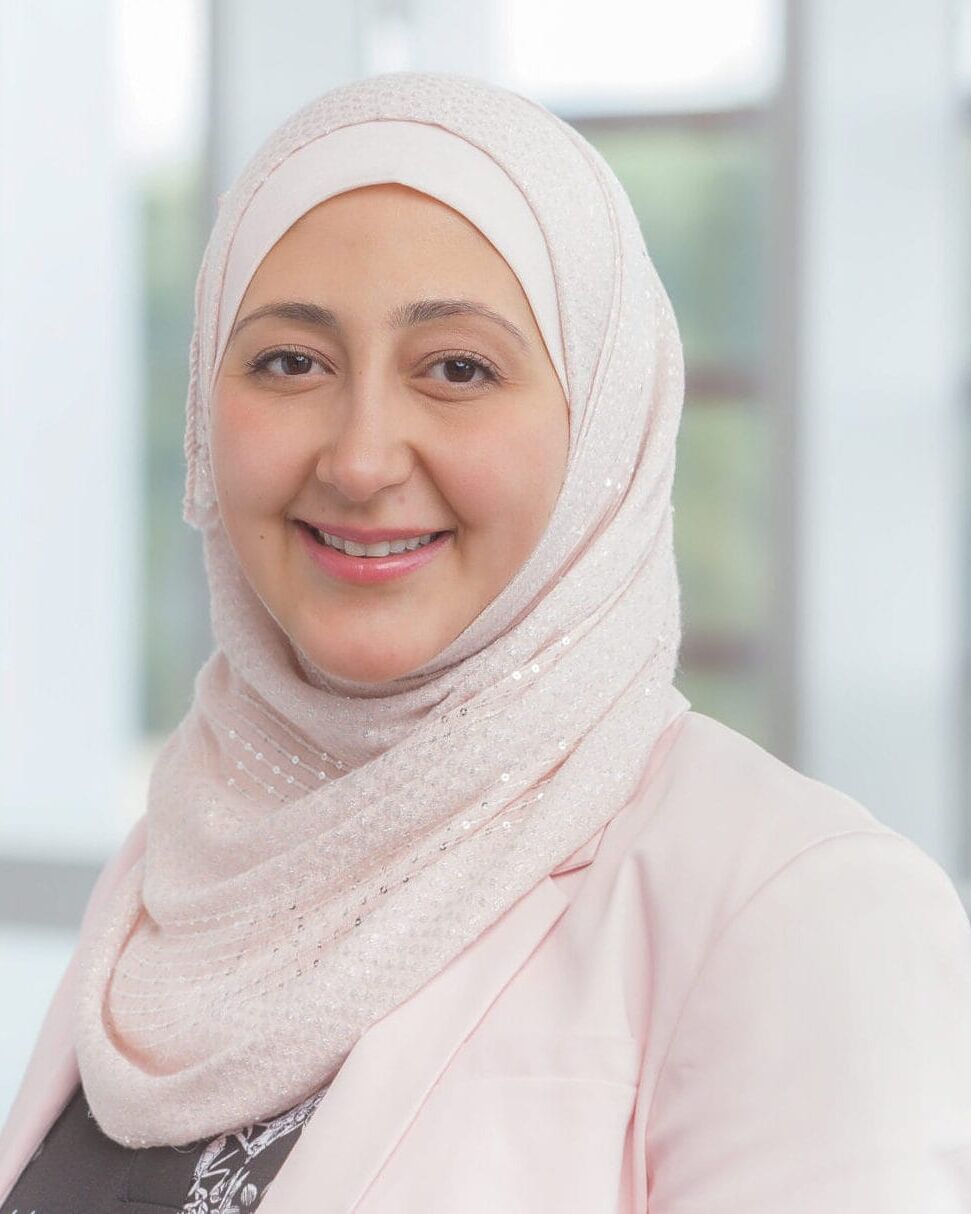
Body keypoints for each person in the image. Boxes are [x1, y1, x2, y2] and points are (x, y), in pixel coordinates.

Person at [1, 69, 970, 1214]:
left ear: (606, 417)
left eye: (456, 368)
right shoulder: (202, 852)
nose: (359, 459)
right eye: (289, 362)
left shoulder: (792, 909)